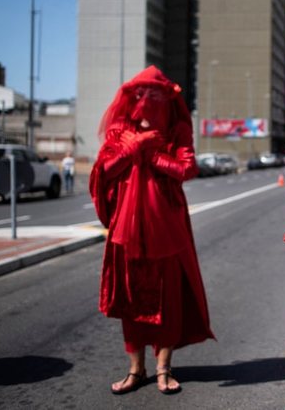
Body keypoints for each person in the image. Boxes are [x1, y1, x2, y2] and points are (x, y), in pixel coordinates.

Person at [90, 66, 213, 395]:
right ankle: (136, 369)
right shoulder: (120, 130)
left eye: (155, 95)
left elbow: (188, 168)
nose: (148, 102)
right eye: (143, 95)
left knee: (168, 299)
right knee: (130, 298)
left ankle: (163, 368)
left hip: (167, 227)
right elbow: (104, 170)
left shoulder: (178, 130)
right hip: (125, 230)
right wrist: (134, 149)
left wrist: (153, 155)